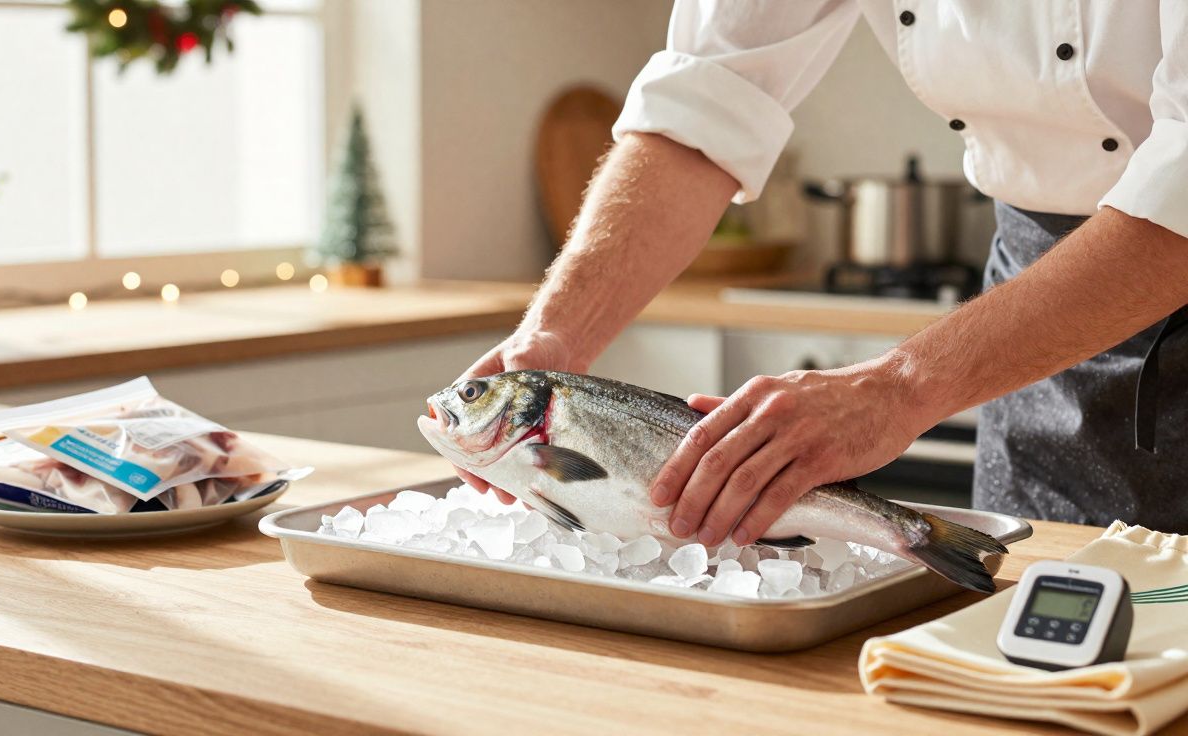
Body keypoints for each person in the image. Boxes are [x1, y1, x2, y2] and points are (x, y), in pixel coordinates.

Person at [459, 2, 1188, 541]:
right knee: (1032, 620)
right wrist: (554, 333)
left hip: (1148, 258)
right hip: (1038, 300)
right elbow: (703, 99)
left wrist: (898, 388)